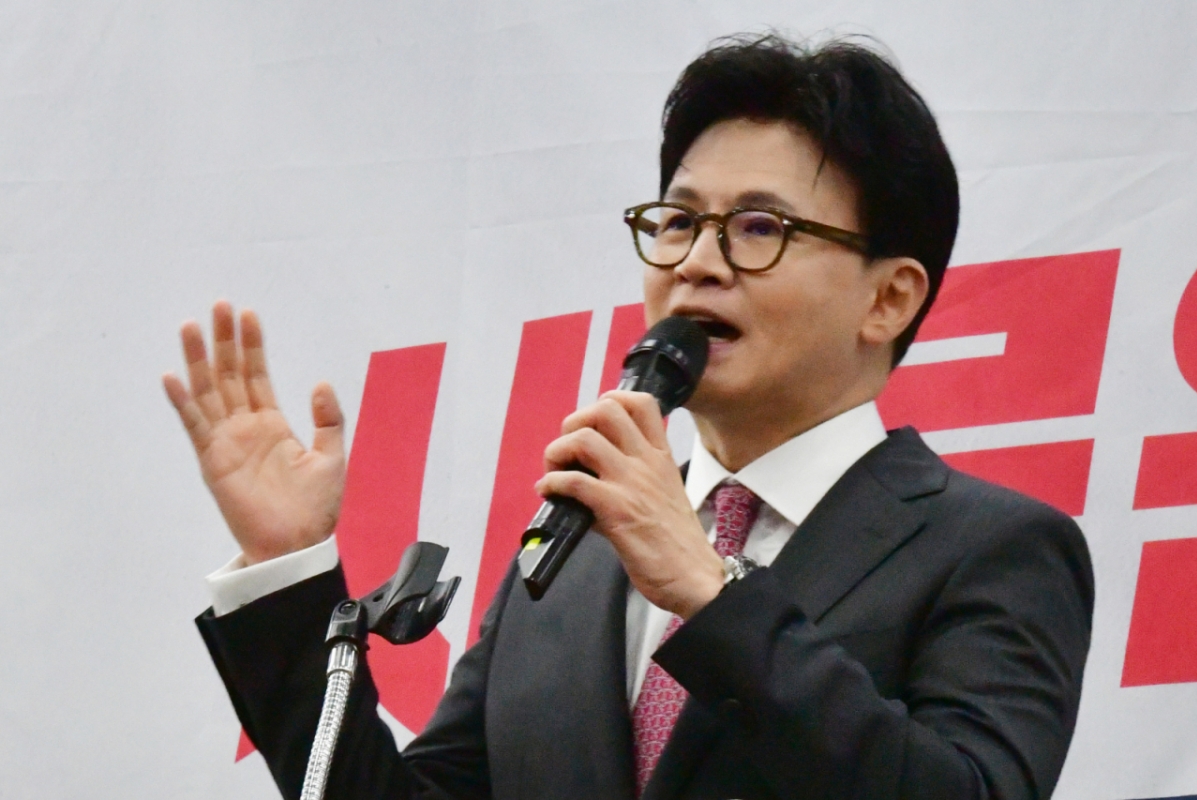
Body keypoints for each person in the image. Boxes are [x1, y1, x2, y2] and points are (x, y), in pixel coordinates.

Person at [165, 34, 1093, 800]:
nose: (696, 263)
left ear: (888, 299)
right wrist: (287, 574)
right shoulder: (573, 556)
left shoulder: (993, 549)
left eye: (760, 228)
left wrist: (713, 597)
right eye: (677, 222)